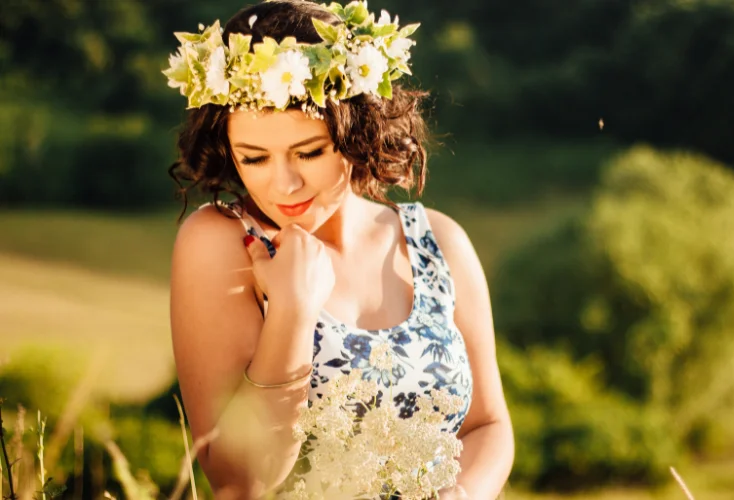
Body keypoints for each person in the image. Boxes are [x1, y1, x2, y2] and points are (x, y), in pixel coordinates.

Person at [166, 1, 514, 498]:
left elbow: (488, 426)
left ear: (358, 133)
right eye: (254, 158)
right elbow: (242, 478)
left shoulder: (439, 241)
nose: (284, 184)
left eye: (308, 152)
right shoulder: (221, 243)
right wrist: (291, 313)